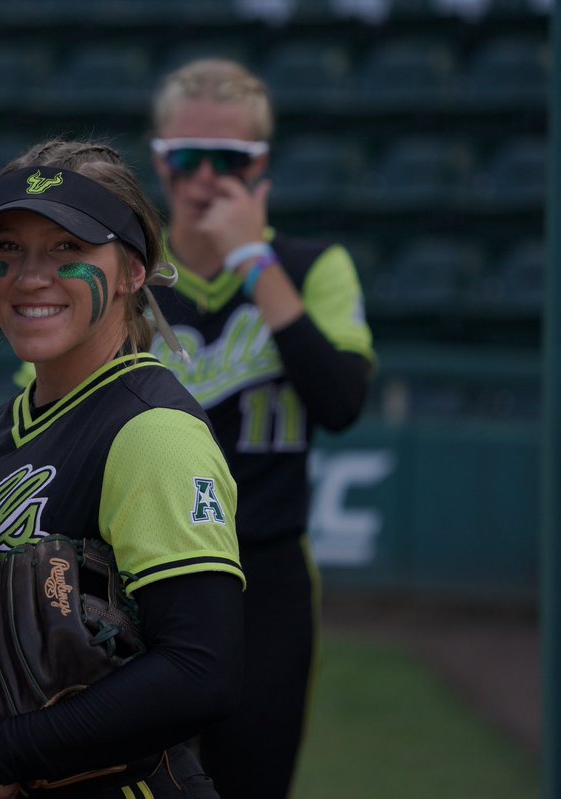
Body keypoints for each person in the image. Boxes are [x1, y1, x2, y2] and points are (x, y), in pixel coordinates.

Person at [0, 139, 245, 798]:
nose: (29, 277)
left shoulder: (150, 431)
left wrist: (2, 752)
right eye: (9, 250)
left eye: (67, 250)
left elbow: (202, 667)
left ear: (135, 270)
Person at [145, 58, 376, 799]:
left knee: (254, 782)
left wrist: (253, 259)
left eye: (230, 161)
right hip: (147, 571)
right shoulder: (128, 277)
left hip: (268, 573)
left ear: (263, 163)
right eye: (187, 158)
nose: (206, 177)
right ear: (159, 159)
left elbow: (340, 401)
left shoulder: (313, 267)